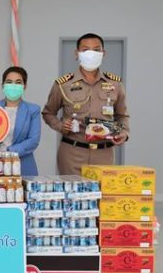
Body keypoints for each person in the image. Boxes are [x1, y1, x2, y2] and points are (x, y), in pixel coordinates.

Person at [42, 33, 129, 175]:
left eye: (96, 49)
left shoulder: (115, 84)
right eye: (85, 49)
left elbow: (122, 115)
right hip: (72, 152)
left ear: (103, 53)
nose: (91, 54)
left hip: (104, 153)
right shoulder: (63, 84)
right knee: (72, 189)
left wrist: (124, 132)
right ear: (77, 53)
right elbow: (48, 113)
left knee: (103, 190)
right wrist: (60, 125)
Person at [0, 66, 41, 176]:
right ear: (2, 85)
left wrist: (8, 153)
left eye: (18, 82)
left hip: (23, 165)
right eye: (9, 82)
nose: (13, 85)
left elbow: (33, 140)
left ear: (25, 86)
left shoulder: (33, 110)